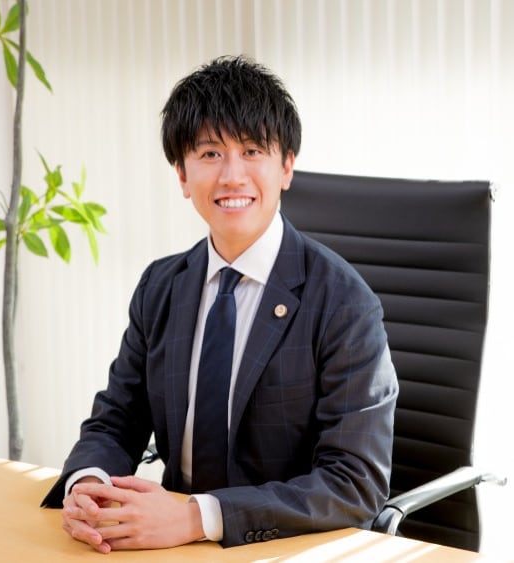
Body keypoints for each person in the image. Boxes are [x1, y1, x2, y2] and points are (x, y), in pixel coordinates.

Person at [41, 55, 399, 552]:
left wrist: (196, 517)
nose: (232, 176)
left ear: (286, 167)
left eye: (252, 151)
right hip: (166, 544)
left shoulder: (343, 303)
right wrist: (88, 483)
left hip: (277, 548)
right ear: (182, 176)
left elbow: (354, 483)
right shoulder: (162, 286)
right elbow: (117, 419)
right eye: (210, 154)